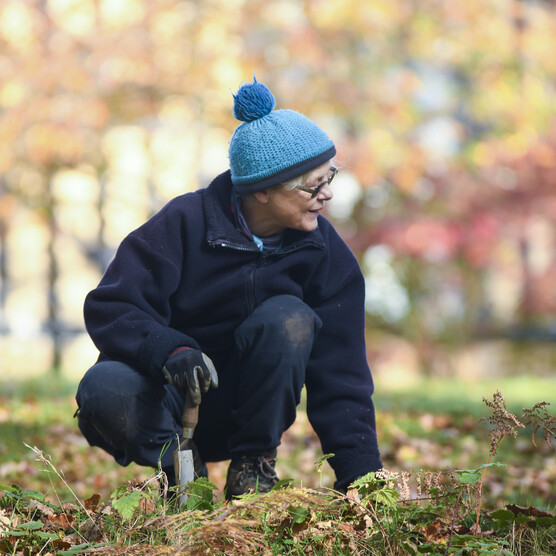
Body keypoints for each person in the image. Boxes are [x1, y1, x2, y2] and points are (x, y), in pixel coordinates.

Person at [75, 78, 382, 499]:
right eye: (313, 185)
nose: (327, 194)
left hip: (250, 410)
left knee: (289, 318)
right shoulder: (183, 223)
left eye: (330, 177)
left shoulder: (324, 253)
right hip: (168, 405)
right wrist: (170, 349)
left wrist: (363, 481)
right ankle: (185, 479)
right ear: (263, 192)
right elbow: (112, 307)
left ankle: (252, 470)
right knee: (102, 385)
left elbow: (343, 376)